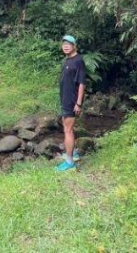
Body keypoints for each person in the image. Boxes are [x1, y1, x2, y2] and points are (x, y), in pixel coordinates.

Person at [56, 34, 86, 171]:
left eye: (68, 44)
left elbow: (81, 83)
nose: (66, 46)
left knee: (67, 129)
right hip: (65, 99)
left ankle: (69, 162)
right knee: (67, 127)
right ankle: (71, 153)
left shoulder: (78, 60)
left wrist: (78, 103)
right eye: (64, 44)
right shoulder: (68, 60)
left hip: (72, 100)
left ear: (74, 46)